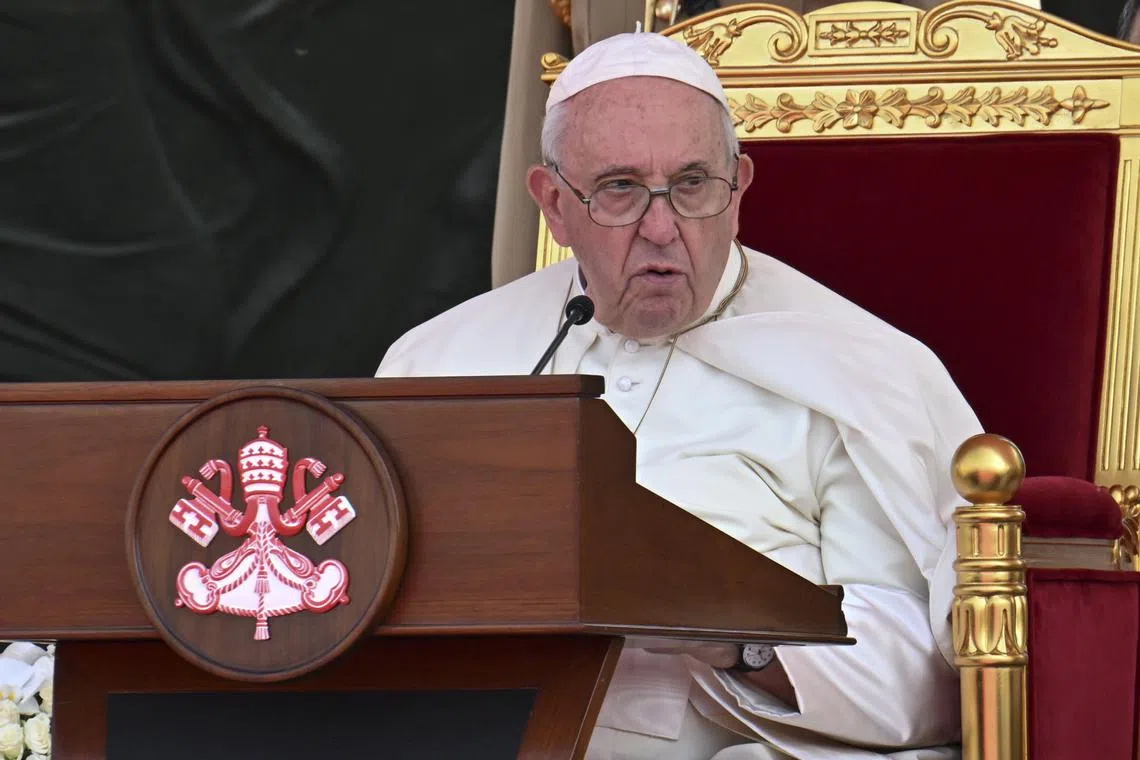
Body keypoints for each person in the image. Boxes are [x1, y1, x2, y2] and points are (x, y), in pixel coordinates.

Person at [376, 31, 981, 760]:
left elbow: (934, 679)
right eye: (619, 189)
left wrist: (735, 638)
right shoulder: (437, 360)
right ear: (554, 205)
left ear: (739, 191)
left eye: (693, 184)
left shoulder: (859, 374)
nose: (661, 229)